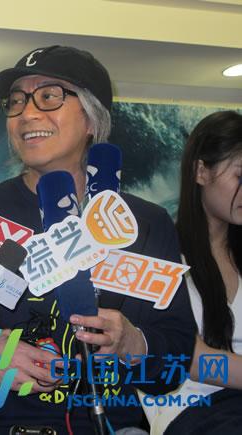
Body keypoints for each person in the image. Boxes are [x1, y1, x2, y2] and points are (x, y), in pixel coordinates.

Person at [0, 45, 197, 434]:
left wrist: (133, 344)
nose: (27, 113)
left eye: (49, 96)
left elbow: (173, 365)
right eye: (16, 101)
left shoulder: (146, 223)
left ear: (92, 120)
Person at [145, 110, 242, 434]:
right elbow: (187, 356)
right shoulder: (161, 255)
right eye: (240, 177)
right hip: (189, 411)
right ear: (201, 171)